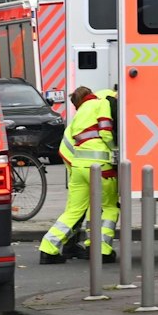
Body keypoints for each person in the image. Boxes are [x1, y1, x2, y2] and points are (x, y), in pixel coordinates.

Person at [37, 86, 119, 264]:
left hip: (78, 167)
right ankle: (102, 249)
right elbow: (105, 131)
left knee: (74, 210)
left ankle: (48, 248)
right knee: (108, 207)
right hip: (100, 166)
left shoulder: (79, 113)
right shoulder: (101, 103)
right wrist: (115, 151)